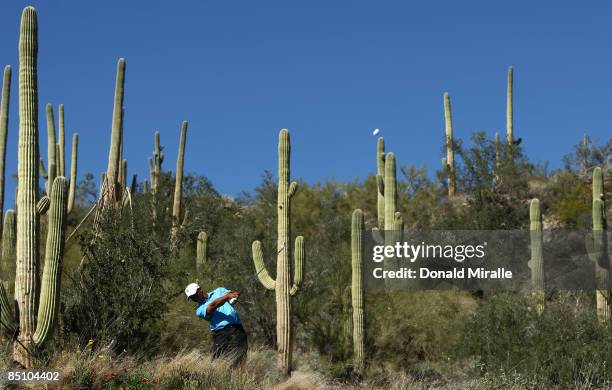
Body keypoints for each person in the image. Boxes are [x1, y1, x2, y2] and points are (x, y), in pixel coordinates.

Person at [184, 282, 248, 366]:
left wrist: (232, 297)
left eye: (194, 295)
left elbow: (230, 296)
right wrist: (226, 297)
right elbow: (212, 306)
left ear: (200, 290)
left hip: (237, 330)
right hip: (220, 335)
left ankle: (237, 378)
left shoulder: (219, 291)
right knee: (218, 363)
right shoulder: (199, 310)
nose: (194, 299)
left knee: (239, 359)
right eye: (192, 298)